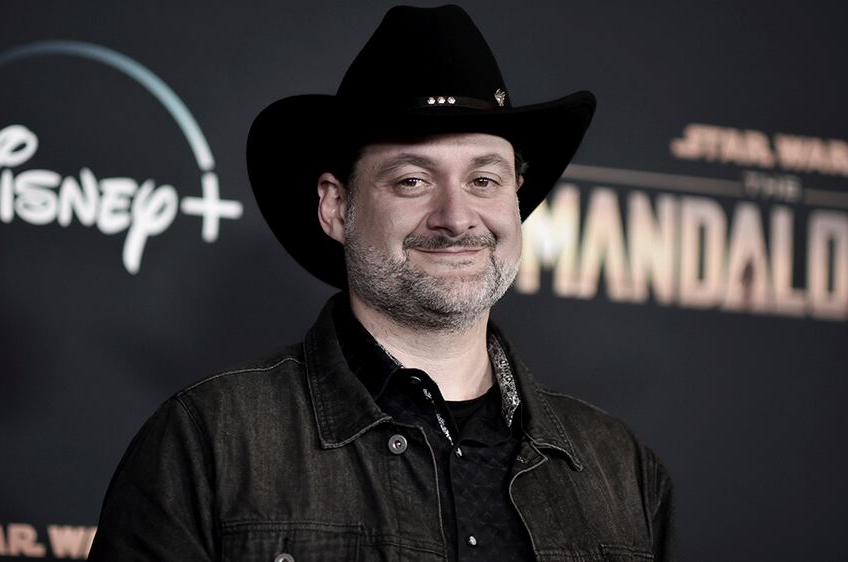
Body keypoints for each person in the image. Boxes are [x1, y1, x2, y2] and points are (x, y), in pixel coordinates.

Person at [88, 5, 676, 561]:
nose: (457, 216)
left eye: (485, 179)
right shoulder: (208, 442)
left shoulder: (621, 470)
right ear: (336, 208)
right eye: (413, 180)